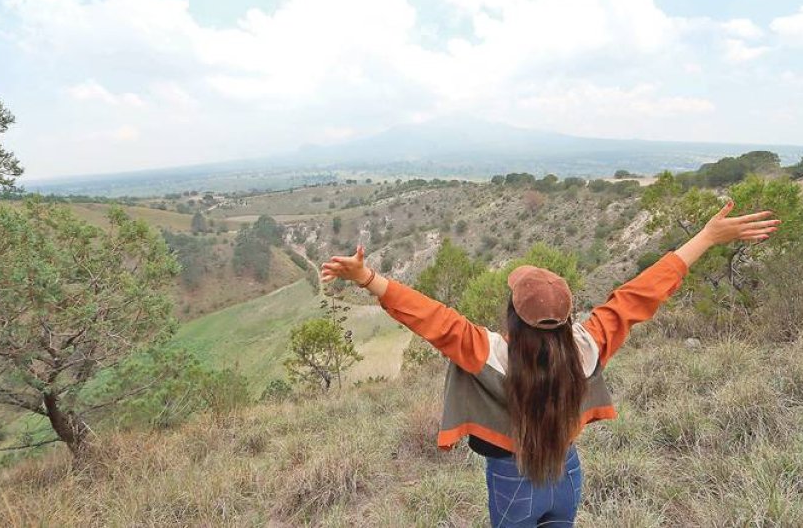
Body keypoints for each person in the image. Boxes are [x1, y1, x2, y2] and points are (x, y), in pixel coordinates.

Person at [320, 201, 779, 527]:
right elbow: (641, 293)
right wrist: (707, 236)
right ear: (566, 316)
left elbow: (429, 318)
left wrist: (366, 277)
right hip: (569, 473)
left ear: (512, 315)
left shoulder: (486, 352)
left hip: (510, 478)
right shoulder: (588, 344)